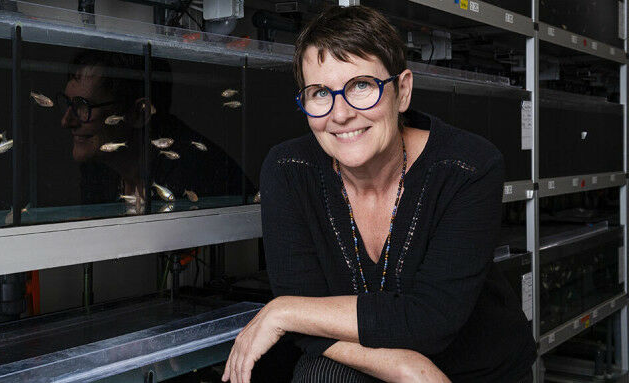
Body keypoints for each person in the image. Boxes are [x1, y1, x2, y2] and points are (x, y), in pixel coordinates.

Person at [222, 6, 536, 383]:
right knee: (321, 374)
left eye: (361, 86)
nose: (340, 114)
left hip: (476, 370)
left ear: (402, 91)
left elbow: (432, 319)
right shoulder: (288, 170)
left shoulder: (468, 166)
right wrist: (406, 369)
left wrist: (283, 312)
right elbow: (305, 317)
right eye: (321, 92)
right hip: (376, 366)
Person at [59, 51, 246, 209]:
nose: (66, 121)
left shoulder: (196, 172)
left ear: (140, 113)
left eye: (83, 106)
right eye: (68, 103)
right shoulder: (97, 168)